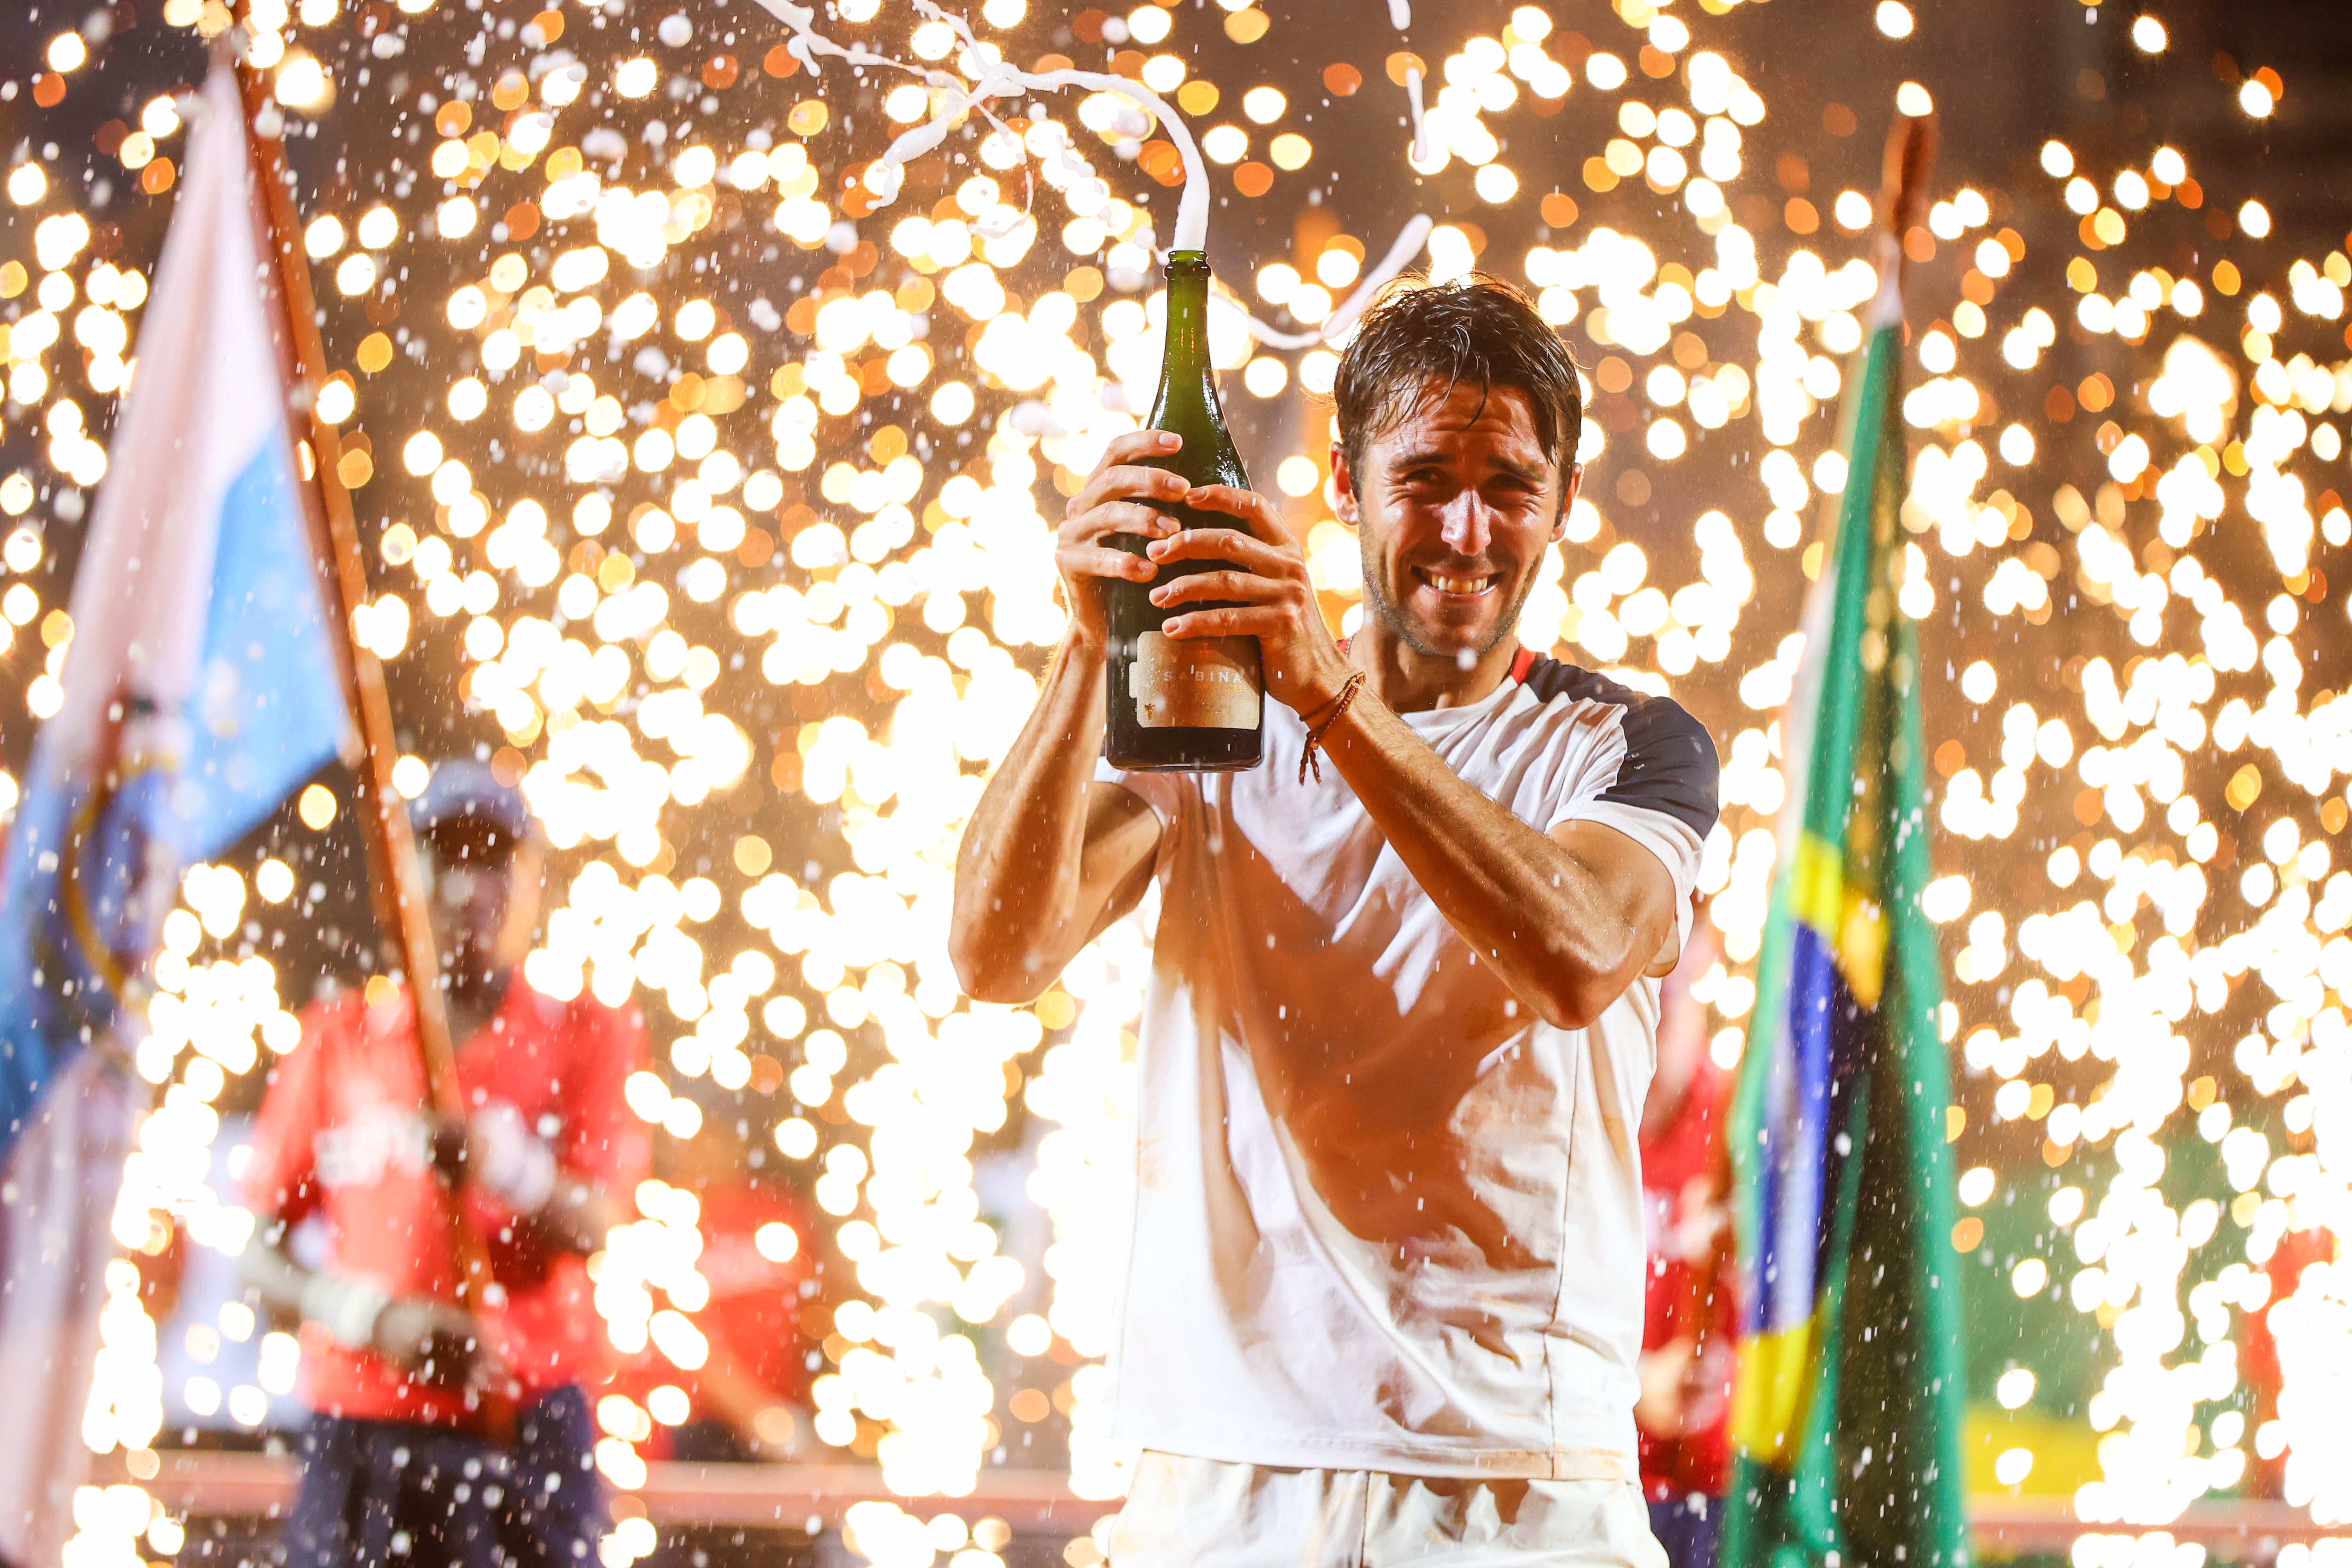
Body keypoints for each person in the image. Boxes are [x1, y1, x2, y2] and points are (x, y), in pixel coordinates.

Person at [951, 275, 1719, 1566]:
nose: (1468, 528)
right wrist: (1086, 648)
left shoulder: (1629, 740)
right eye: (1424, 476)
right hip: (1223, 1477)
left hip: (1511, 1486)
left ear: (1563, 505)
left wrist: (1329, 700)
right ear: (1350, 489)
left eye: (1512, 486)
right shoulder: (1213, 711)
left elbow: (1581, 954)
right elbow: (996, 952)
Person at [242, 762, 650, 1568]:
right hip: (361, 1426)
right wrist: (375, 1319)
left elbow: (604, 1223)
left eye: (496, 859)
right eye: (446, 855)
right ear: (405, 875)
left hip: (522, 1427)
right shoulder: (337, 1037)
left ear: (535, 884)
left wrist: (511, 1168)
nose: (471, 886)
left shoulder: (585, 1034)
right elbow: (258, 1251)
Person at [1634, 917, 1736, 1568]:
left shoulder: (1741, 1125)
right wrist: (1630, 1386)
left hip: (1715, 1497)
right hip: (1587, 1484)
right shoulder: (1558, 1119)